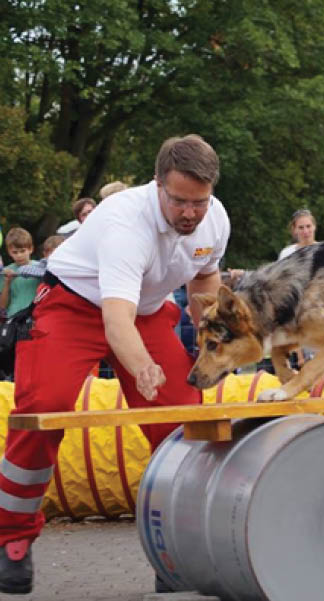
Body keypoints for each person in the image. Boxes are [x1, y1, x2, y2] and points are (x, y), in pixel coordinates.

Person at [0, 134, 230, 594]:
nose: (190, 213)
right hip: (75, 306)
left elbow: (205, 276)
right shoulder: (128, 223)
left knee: (184, 420)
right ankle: (11, 540)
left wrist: (209, 329)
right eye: (180, 201)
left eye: (199, 203)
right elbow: (115, 320)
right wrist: (143, 367)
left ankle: (178, 553)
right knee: (44, 408)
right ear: (157, 185)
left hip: (143, 311)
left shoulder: (215, 218)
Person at [0, 229, 40, 320]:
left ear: (31, 249)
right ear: (9, 252)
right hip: (14, 318)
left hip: (36, 317)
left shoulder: (40, 268)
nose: (19, 255)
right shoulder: (6, 271)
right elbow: (2, 306)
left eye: (22, 251)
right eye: (15, 252)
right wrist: (7, 282)